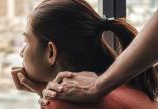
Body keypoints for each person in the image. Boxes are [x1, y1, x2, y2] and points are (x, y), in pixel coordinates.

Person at [11, 0, 158, 109]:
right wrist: (45, 92)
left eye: (26, 42)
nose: (21, 53)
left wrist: (52, 100)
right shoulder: (131, 89)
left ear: (51, 52)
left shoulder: (60, 104)